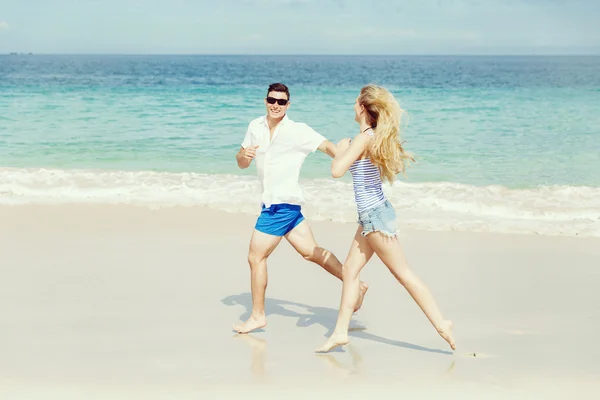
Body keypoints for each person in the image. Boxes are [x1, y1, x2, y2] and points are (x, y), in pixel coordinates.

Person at [315, 84, 455, 353]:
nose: (353, 105)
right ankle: (340, 332)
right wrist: (341, 148)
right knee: (349, 272)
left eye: (356, 101)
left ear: (363, 108)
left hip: (376, 218)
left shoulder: (364, 138)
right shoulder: (371, 137)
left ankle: (441, 324)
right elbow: (352, 163)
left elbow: (336, 170)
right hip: (370, 217)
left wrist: (343, 149)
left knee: (403, 274)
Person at [233, 83, 369, 334]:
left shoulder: (298, 131)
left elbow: (329, 148)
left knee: (255, 257)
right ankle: (355, 283)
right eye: (272, 100)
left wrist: (351, 154)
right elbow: (241, 161)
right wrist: (245, 156)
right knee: (311, 252)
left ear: (288, 105)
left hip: (279, 206)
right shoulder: (255, 127)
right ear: (265, 101)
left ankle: (257, 315)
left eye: (281, 102)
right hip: (283, 205)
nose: (276, 105)